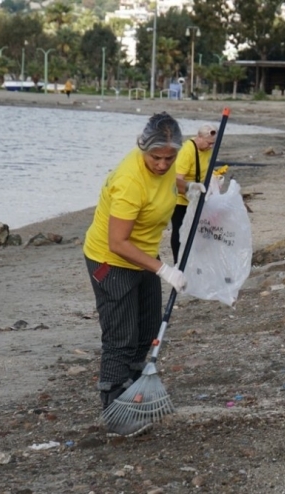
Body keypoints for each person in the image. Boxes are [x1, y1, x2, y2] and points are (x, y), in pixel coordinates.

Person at [83, 112, 195, 437]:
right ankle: (114, 411)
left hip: (144, 255)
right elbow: (117, 242)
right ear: (142, 147)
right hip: (111, 260)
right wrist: (164, 270)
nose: (162, 164)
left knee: (148, 329)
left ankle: (131, 389)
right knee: (121, 337)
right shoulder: (129, 181)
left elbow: (170, 178)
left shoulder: (168, 162)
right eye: (155, 157)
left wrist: (193, 187)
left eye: (169, 158)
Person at [171, 124, 217, 264]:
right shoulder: (187, 151)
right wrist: (190, 190)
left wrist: (215, 178)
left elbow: (205, 169)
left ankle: (196, 259)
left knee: (198, 231)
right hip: (181, 199)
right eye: (209, 143)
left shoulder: (207, 149)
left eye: (213, 144)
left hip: (199, 197)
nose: (210, 147)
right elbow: (176, 180)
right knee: (179, 231)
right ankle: (178, 262)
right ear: (199, 137)